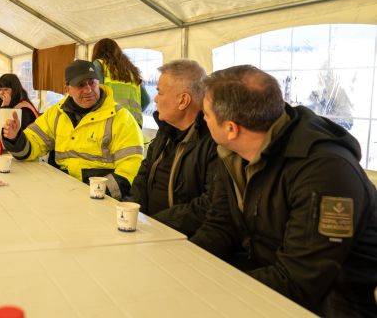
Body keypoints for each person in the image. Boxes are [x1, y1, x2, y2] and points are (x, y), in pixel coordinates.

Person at [190, 65, 377, 316]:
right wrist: (183, 266)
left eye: (207, 115)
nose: (202, 119)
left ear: (231, 128)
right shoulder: (235, 153)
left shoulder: (327, 172)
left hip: (330, 305)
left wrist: (216, 291)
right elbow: (221, 225)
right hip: (267, 282)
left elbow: (301, 278)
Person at [2, 60, 143, 200]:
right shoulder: (56, 113)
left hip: (100, 198)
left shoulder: (121, 118)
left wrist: (98, 193)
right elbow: (33, 145)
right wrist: (15, 138)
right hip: (61, 193)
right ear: (67, 89)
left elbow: (132, 167)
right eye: (81, 85)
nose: (88, 90)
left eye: (92, 82)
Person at [130, 60, 217, 236]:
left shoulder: (212, 142)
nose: (155, 99)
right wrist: (138, 213)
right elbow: (143, 173)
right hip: (148, 230)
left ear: (183, 100)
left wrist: (156, 224)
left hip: (182, 239)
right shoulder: (165, 132)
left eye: (159, 92)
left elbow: (209, 205)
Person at [92, 38, 150, 127]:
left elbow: (94, 95)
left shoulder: (99, 64)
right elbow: (146, 100)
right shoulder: (132, 71)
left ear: (97, 51)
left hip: (110, 122)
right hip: (134, 123)